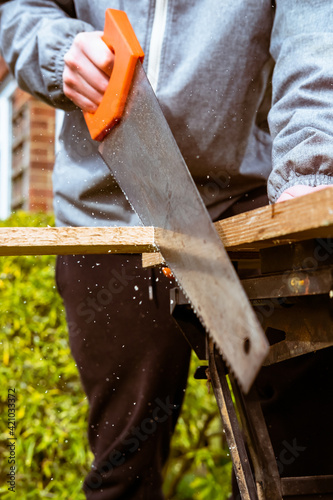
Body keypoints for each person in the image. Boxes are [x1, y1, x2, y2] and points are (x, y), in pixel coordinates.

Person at [0, 1, 332, 499]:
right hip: (105, 219)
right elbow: (19, 11)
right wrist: (57, 50)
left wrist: (310, 168)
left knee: (294, 464)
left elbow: (314, 30)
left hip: (244, 207)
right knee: (124, 465)